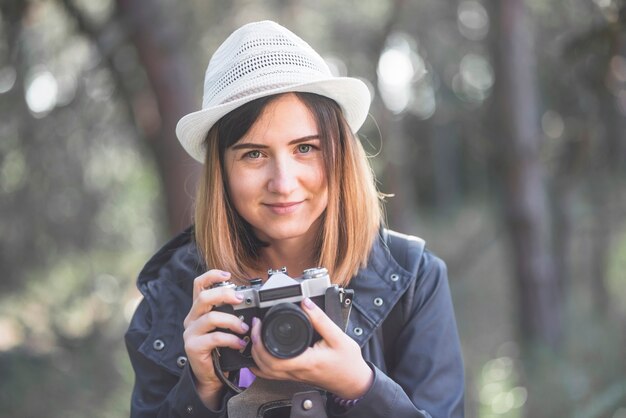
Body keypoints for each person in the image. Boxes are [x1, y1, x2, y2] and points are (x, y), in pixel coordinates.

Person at [125, 20, 464, 418]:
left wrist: (361, 386)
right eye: (253, 154)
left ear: (339, 154)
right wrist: (200, 391)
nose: (283, 183)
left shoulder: (412, 279)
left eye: (305, 148)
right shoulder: (172, 299)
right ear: (221, 173)